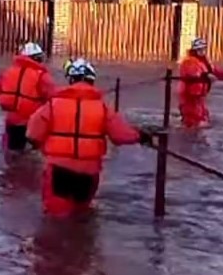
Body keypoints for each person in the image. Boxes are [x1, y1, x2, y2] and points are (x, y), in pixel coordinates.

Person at [26, 58, 153, 218]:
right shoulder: (103, 107)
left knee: (55, 217)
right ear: (92, 80)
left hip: (58, 171)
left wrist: (37, 144)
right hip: (88, 173)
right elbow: (120, 135)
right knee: (82, 216)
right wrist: (141, 136)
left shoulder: (53, 105)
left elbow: (33, 132)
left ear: (71, 80)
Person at [0, 42, 57, 154]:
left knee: (11, 151)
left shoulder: (8, 72)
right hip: (32, 121)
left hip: (12, 120)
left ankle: (10, 168)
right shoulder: (41, 76)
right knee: (33, 153)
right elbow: (53, 97)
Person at [177, 37, 223, 128]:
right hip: (190, 96)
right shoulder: (189, 61)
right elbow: (192, 73)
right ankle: (189, 137)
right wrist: (206, 75)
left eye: (203, 48)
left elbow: (216, 73)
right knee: (193, 121)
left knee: (203, 118)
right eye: (199, 49)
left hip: (199, 96)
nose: (202, 51)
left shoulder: (204, 62)